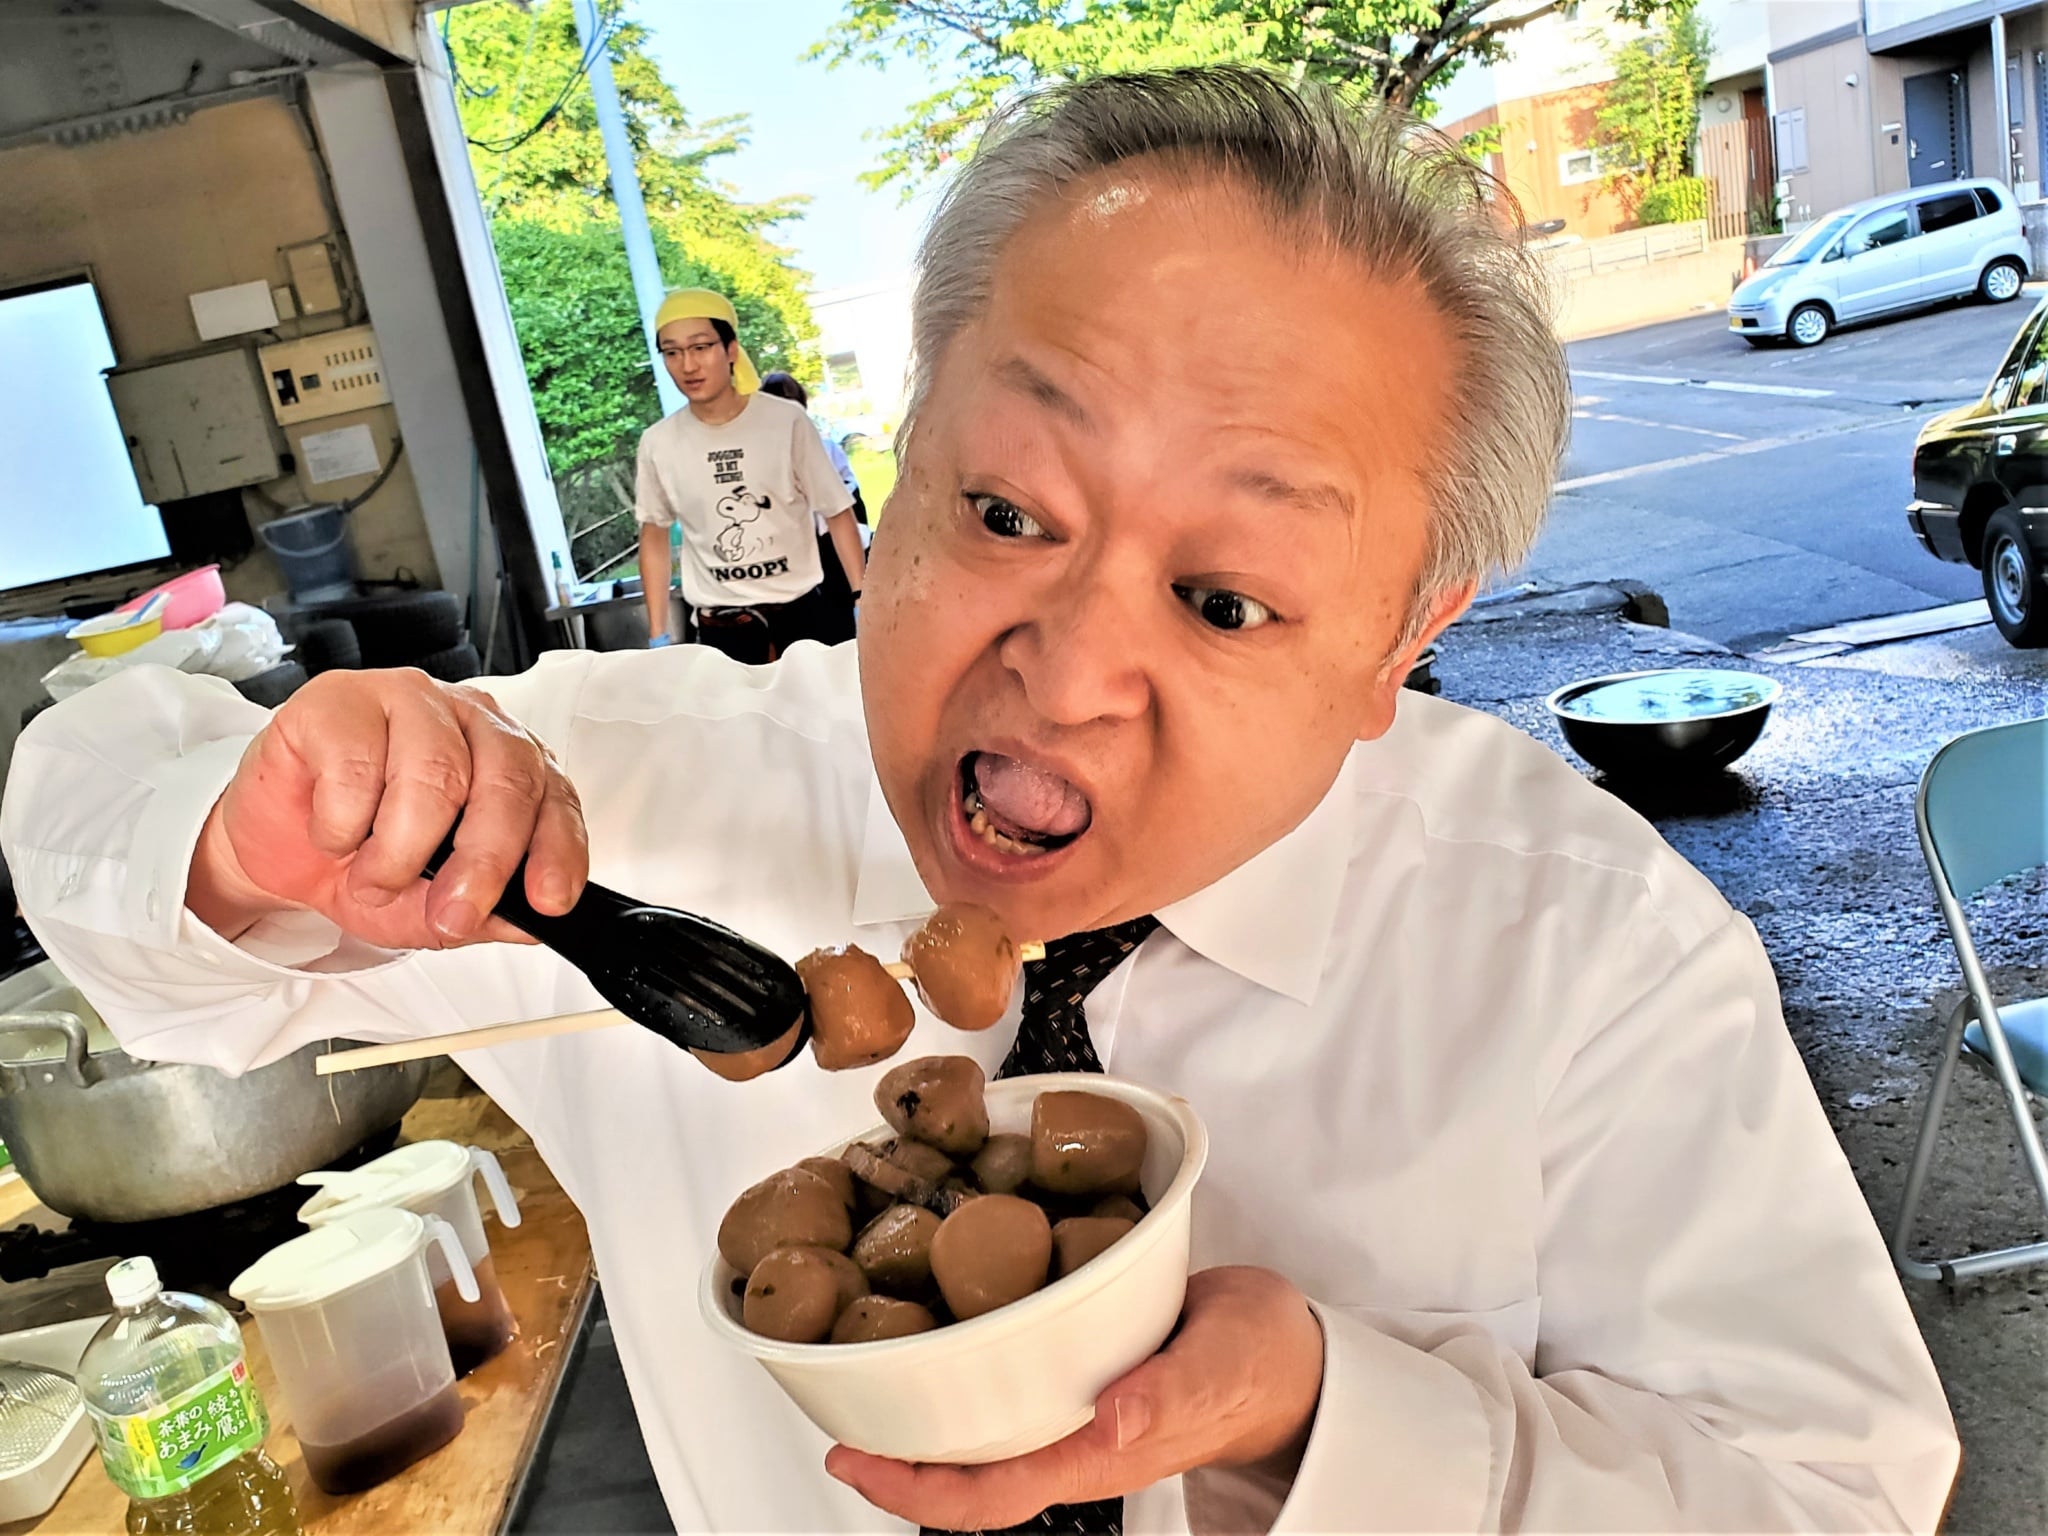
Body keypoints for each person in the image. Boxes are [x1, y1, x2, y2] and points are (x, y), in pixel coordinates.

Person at [1, 67, 1957, 1535]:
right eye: (1005, 510)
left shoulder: (1585, 947)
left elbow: (1832, 1493)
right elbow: (103, 816)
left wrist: (1323, 1418)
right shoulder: (642, 805)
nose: (1064, 670)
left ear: (1398, 638)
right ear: (902, 445)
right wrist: (250, 835)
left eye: (1223, 599)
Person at [635, 290, 865, 663]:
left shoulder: (786, 421)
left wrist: (861, 598)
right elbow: (654, 534)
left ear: (730, 349)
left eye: (700, 347)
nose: (688, 365)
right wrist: (658, 635)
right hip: (722, 628)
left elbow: (837, 511)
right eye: (672, 352)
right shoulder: (658, 443)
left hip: (802, 618)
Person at [759, 370, 862, 644]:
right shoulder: (760, 456)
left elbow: (850, 500)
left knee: (839, 631)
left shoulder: (826, 448)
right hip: (789, 553)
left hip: (830, 547)